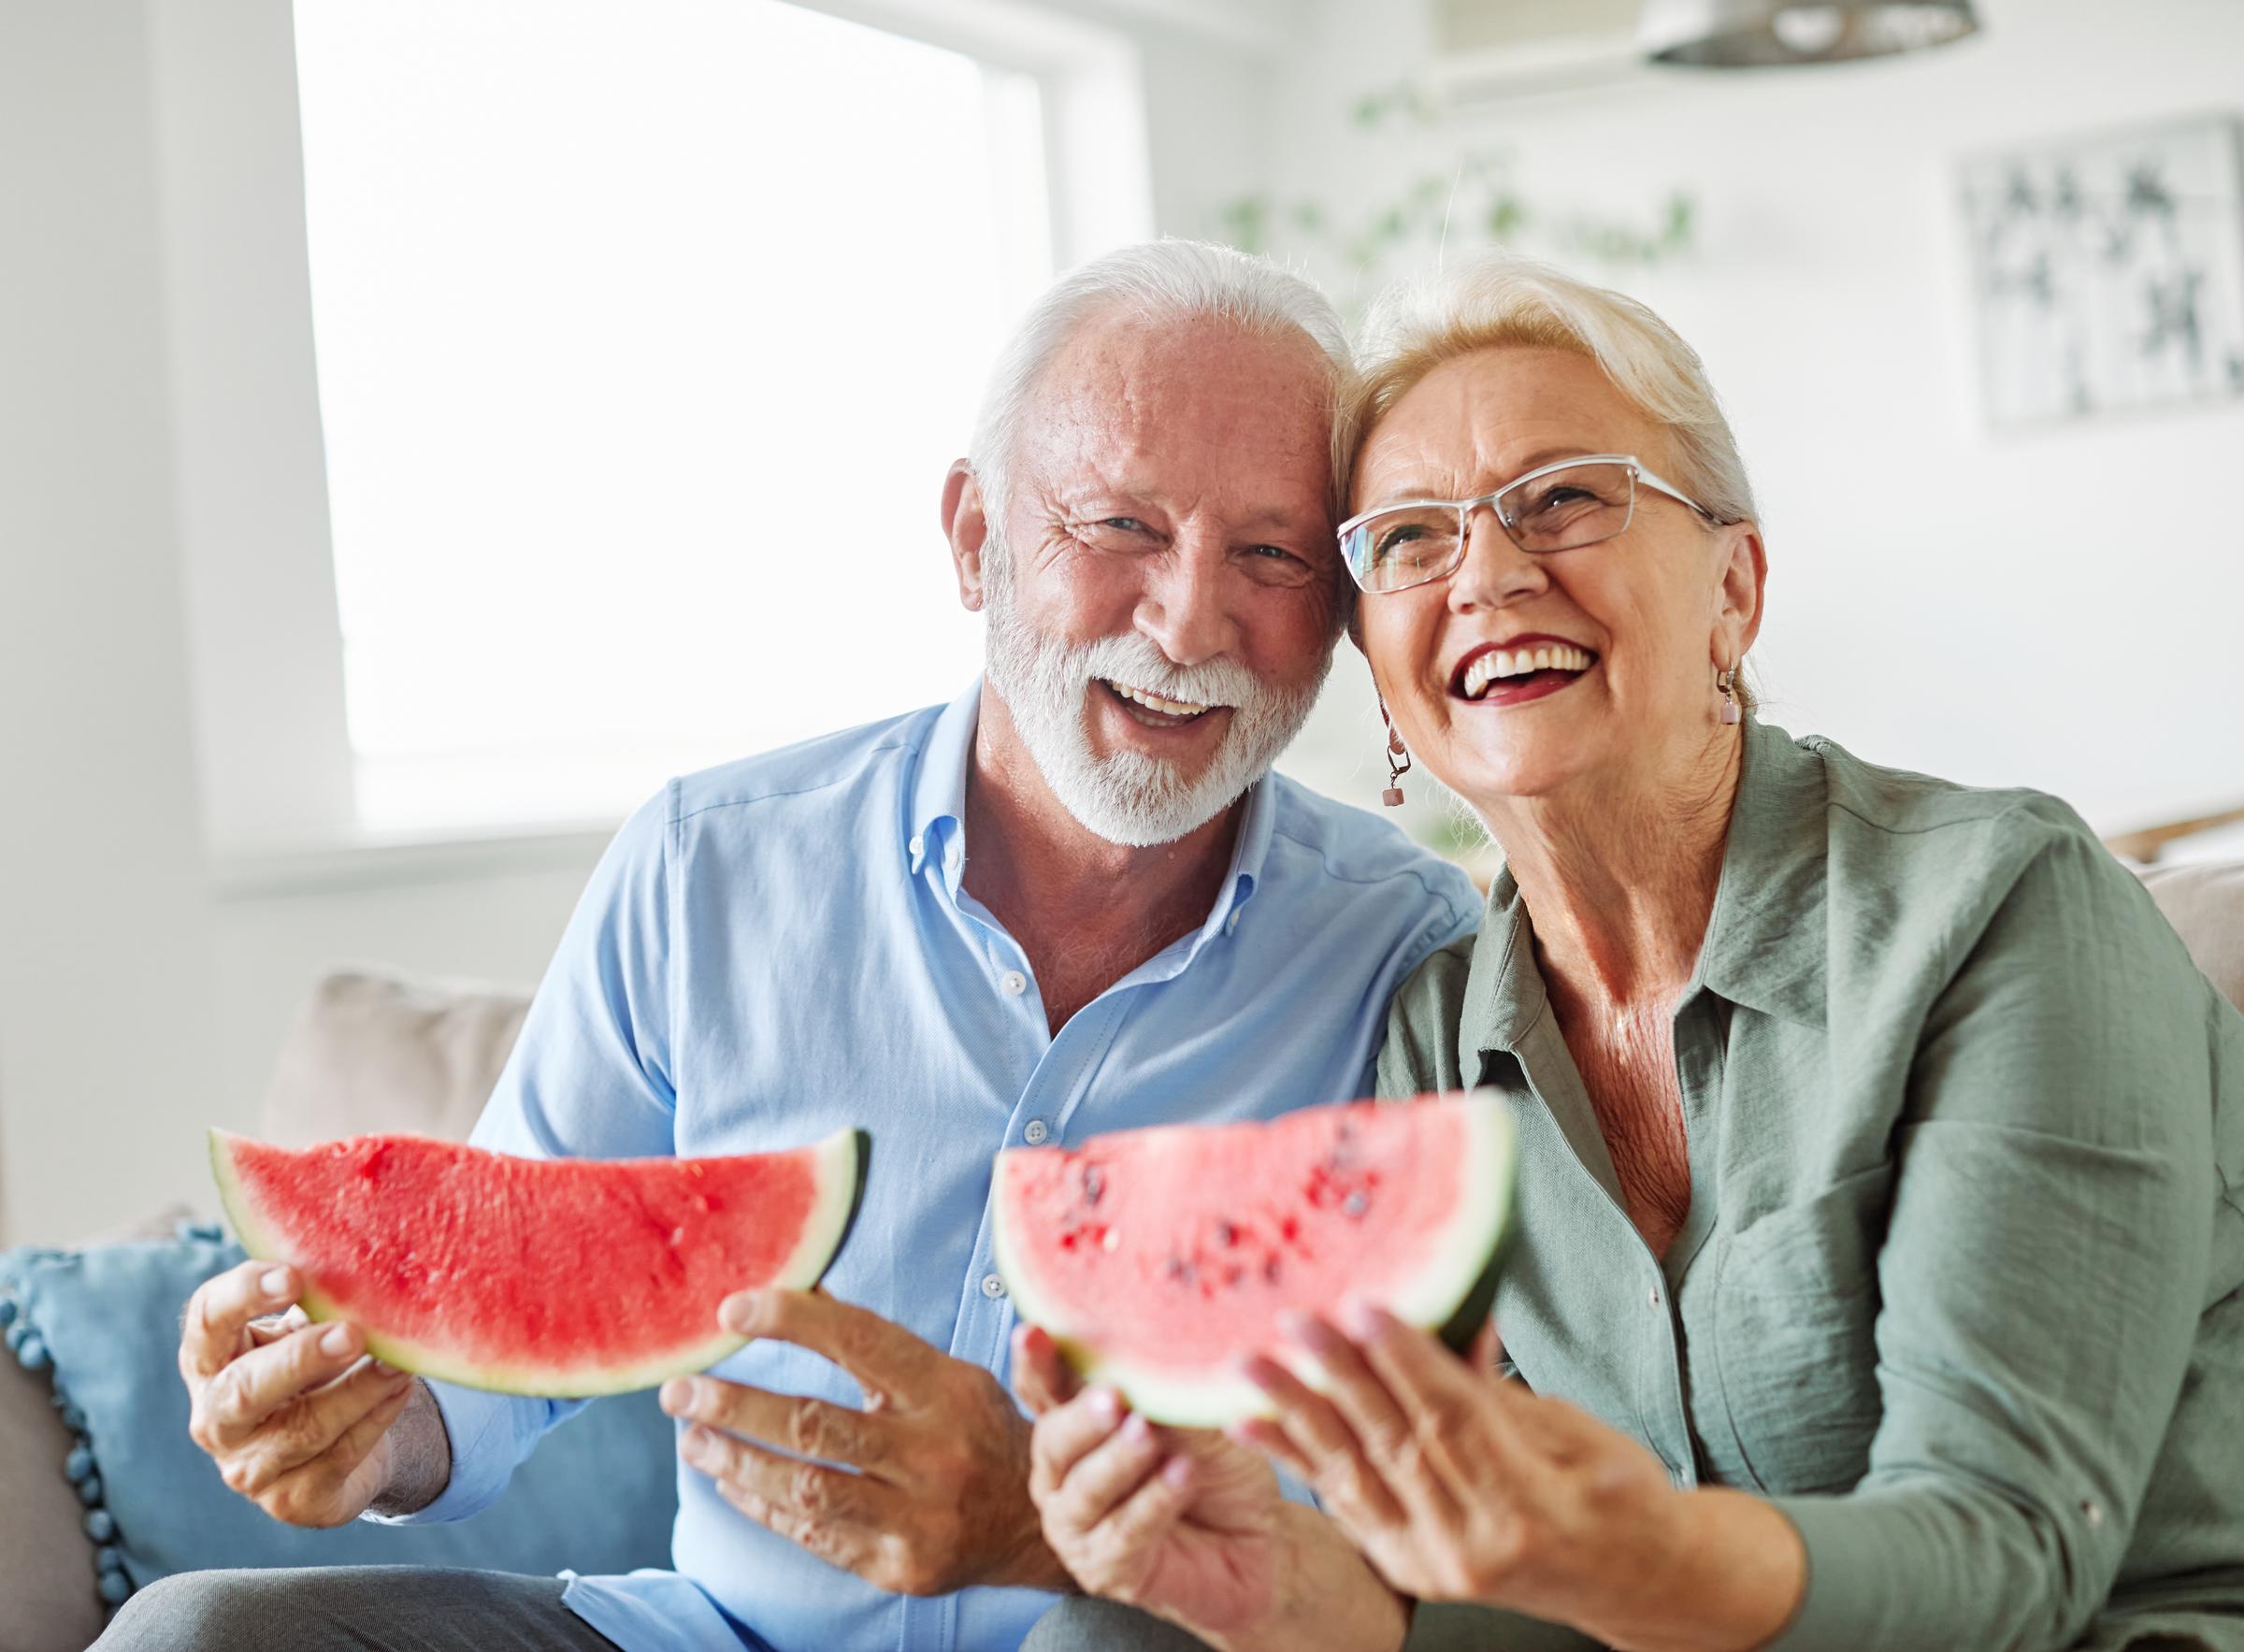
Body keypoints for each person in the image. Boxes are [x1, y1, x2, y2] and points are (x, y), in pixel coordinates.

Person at [116, 241, 1479, 1652]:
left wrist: (1057, 1528)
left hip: (1132, 1635)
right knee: (198, 1632)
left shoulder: (1412, 957)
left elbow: (1426, 1514)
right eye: (1121, 526)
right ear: (974, 537)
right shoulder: (710, 866)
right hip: (710, 1635)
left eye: (1269, 552)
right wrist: (367, 1417)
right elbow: (497, 1332)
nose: (1191, 619)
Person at [1022, 252, 2244, 1652]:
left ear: (1735, 587)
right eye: (1411, 538)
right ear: (1382, 672)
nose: (1485, 573)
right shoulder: (1434, 1038)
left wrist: (1631, 1553)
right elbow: (1501, 1578)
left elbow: (2014, 1557)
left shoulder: (2004, 910)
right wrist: (1295, 1588)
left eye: (1563, 499)